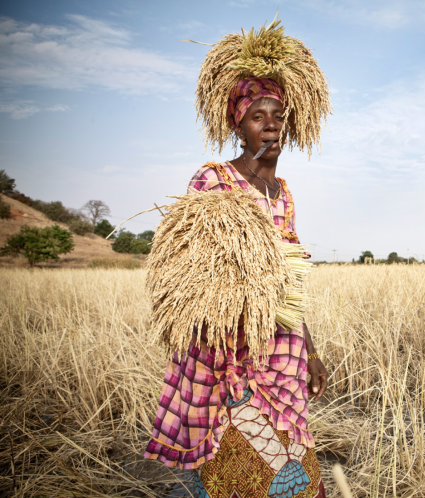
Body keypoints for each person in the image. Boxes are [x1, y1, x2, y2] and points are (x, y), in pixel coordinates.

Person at [144, 21, 331, 498]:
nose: (270, 123)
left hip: (283, 343)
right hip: (231, 346)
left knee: (291, 452)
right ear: (237, 126)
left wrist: (308, 348)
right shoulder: (215, 181)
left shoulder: (284, 194)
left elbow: (290, 282)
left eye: (278, 115)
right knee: (235, 451)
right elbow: (192, 272)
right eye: (257, 116)